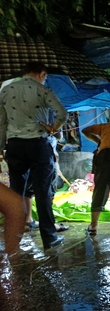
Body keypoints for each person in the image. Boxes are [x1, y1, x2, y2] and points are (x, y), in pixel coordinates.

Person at [0, 62, 67, 250]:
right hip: (39, 145)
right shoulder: (43, 90)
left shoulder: (6, 91)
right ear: (42, 73)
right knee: (43, 191)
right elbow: (62, 114)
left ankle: (15, 238)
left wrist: (0, 148)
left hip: (14, 146)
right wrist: (53, 128)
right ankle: (49, 237)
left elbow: (1, 123)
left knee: (16, 193)